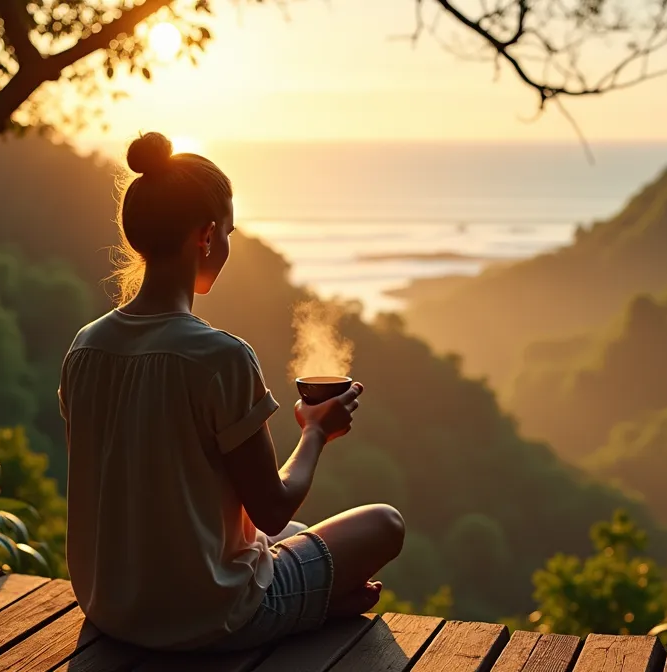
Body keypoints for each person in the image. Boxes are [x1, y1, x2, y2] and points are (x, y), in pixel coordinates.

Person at [58, 132, 406, 652]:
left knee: (300, 534)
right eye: (228, 233)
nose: (226, 246)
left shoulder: (85, 349)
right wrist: (314, 433)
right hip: (211, 615)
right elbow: (272, 509)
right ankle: (308, 608)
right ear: (205, 234)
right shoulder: (220, 357)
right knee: (384, 524)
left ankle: (312, 600)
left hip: (112, 606)